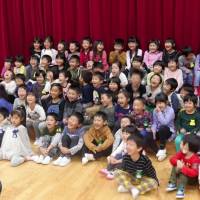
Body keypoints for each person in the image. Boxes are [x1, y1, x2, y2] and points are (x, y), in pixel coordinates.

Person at [114, 133, 158, 199]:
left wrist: (155, 181)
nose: (128, 147)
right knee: (116, 172)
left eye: (131, 145)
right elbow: (123, 170)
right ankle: (132, 189)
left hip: (142, 178)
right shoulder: (126, 157)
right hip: (131, 176)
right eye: (127, 144)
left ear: (139, 148)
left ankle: (130, 188)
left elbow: (151, 171)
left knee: (153, 183)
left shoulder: (145, 160)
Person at [166, 134, 200, 199]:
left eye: (182, 144)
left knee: (183, 174)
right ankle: (172, 183)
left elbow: (194, 173)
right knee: (175, 165)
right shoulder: (181, 153)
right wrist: (177, 162)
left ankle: (181, 190)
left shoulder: (196, 159)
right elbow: (172, 159)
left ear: (187, 147)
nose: (180, 145)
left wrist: (183, 168)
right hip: (182, 172)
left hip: (191, 180)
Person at [152, 93, 175, 161]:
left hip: (168, 132)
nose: (159, 105)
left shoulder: (170, 110)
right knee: (148, 133)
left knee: (162, 127)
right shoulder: (154, 110)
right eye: (157, 103)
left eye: (161, 103)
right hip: (159, 131)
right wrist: (153, 130)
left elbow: (164, 123)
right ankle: (158, 151)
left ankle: (162, 148)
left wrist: (159, 112)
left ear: (166, 102)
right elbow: (155, 123)